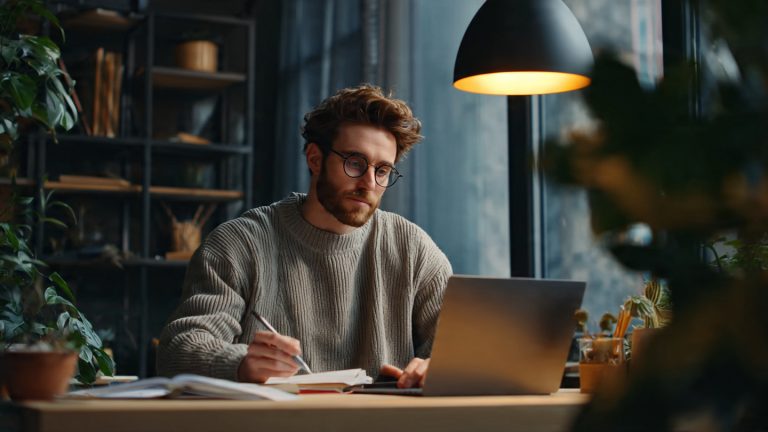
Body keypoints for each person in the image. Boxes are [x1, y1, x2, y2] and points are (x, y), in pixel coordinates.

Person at [157, 84, 452, 388]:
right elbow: (176, 350)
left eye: (382, 170)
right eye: (355, 163)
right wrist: (241, 363)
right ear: (315, 159)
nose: (369, 183)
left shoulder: (414, 250)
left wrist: (437, 368)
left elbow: (462, 353)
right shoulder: (239, 244)